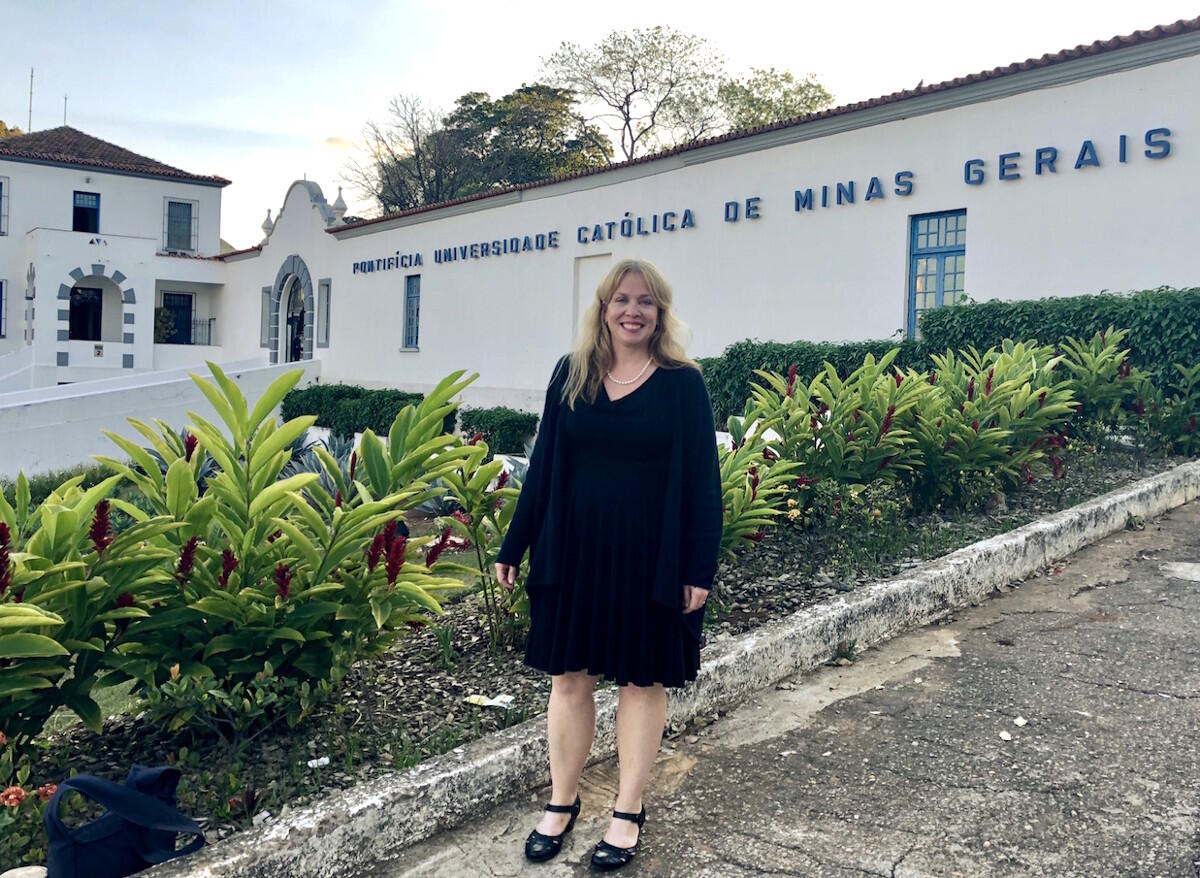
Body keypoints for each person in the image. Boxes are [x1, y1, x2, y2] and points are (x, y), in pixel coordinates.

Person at [494, 258, 723, 871]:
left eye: (645, 301)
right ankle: (562, 801)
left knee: (641, 681)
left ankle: (627, 810)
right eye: (621, 299)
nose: (632, 311)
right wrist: (514, 544)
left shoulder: (683, 384)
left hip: (649, 557)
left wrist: (698, 568)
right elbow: (544, 465)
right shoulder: (571, 374)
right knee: (569, 679)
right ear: (603, 309)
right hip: (575, 551)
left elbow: (704, 482)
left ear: (660, 313)